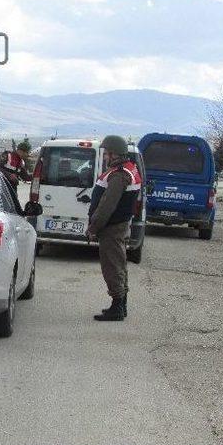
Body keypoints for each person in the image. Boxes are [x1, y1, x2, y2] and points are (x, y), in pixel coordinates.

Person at [86, 135, 142, 321]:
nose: (104, 157)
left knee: (112, 266)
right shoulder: (128, 169)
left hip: (111, 227)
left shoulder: (119, 174)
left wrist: (94, 227)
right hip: (119, 224)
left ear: (114, 154)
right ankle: (120, 305)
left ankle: (117, 307)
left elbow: (106, 205)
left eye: (106, 154)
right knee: (119, 264)